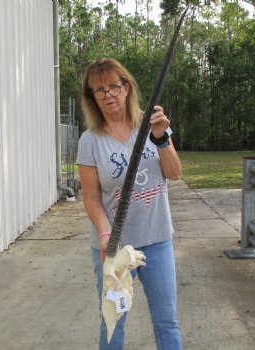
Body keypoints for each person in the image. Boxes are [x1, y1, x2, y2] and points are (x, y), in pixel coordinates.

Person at [76, 57, 182, 350]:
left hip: (157, 240)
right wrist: (105, 235)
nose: (108, 94)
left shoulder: (153, 126)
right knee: (114, 322)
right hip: (117, 249)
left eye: (114, 86)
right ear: (92, 98)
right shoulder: (91, 141)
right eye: (99, 90)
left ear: (126, 87)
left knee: (167, 322)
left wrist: (161, 139)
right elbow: (92, 197)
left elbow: (174, 173)